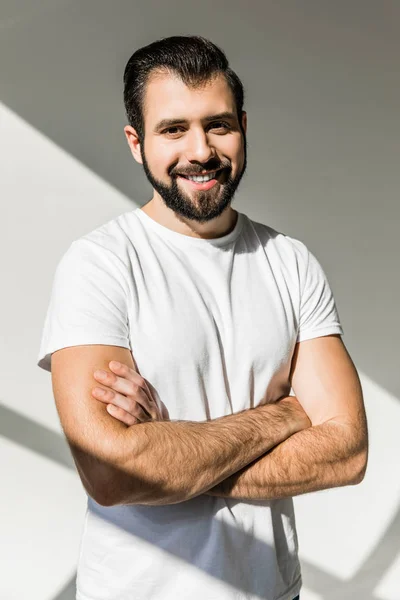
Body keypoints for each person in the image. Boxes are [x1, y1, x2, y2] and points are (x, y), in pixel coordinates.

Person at [37, 35, 368, 600]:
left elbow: (348, 450)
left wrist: (170, 456)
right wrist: (281, 417)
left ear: (243, 126)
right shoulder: (100, 265)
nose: (201, 151)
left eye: (218, 125)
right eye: (173, 129)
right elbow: (113, 474)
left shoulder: (288, 261)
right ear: (136, 143)